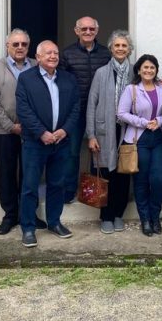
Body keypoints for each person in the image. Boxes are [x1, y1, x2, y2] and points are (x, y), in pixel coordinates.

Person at [16, 40, 80, 248]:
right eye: (48, 53)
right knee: (30, 186)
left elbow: (75, 108)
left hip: (61, 142)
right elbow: (23, 110)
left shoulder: (68, 79)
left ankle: (54, 222)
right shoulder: (26, 78)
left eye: (56, 53)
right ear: (39, 56)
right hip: (35, 142)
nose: (53, 56)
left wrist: (64, 130)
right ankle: (27, 227)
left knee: (57, 184)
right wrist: (42, 132)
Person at [0, 29, 47, 235]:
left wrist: (34, 126)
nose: (20, 47)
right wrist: (10, 125)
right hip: (6, 132)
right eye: (15, 44)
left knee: (31, 175)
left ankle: (30, 214)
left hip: (32, 133)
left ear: (29, 47)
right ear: (7, 46)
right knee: (7, 174)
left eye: (24, 44)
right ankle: (10, 215)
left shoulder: (37, 66)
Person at [86, 30, 135, 234]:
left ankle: (117, 215)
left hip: (127, 130)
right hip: (105, 130)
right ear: (111, 49)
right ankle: (105, 216)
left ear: (129, 49)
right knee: (105, 173)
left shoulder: (135, 72)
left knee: (123, 174)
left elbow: (149, 87)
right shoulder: (101, 73)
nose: (121, 49)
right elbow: (91, 104)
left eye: (124, 46)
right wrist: (91, 135)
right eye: (117, 45)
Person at [60, 16, 112, 203]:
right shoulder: (67, 54)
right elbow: (61, 83)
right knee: (72, 153)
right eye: (84, 29)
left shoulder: (107, 54)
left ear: (97, 31)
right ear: (76, 31)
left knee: (97, 153)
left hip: (100, 112)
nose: (88, 32)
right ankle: (69, 192)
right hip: (75, 112)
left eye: (91, 29)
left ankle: (93, 194)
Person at [117, 54, 162, 236]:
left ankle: (155, 217)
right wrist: (143, 122)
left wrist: (159, 121)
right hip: (139, 139)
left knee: (159, 180)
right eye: (145, 67)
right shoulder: (131, 89)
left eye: (152, 68)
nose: (148, 70)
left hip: (160, 138)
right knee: (141, 180)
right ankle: (145, 219)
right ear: (139, 70)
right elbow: (121, 113)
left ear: (156, 71)